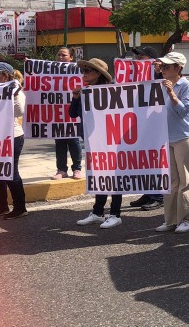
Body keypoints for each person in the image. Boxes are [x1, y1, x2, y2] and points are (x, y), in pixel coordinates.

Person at [72, 59, 122, 229]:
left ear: (98, 73)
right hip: (93, 140)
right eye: (84, 70)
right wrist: (76, 97)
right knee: (100, 175)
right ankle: (98, 212)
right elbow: (73, 114)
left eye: (88, 70)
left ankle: (115, 214)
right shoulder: (85, 92)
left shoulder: (111, 91)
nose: (84, 73)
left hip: (111, 139)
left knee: (114, 176)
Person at [153, 52, 189, 234]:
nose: (163, 69)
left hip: (184, 137)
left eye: (167, 67)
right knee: (172, 181)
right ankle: (171, 220)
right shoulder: (161, 84)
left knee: (186, 180)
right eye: (162, 66)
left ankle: (187, 219)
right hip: (167, 138)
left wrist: (172, 94)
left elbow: (185, 112)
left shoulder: (186, 86)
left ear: (178, 68)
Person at [0, 62, 28, 220]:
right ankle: (1, 206)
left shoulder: (16, 91)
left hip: (12, 136)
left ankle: (20, 207)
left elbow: (19, 111)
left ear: (5, 76)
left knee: (10, 173)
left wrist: (13, 94)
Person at [128, 46, 165, 211]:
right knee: (146, 160)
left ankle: (159, 196)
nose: (137, 60)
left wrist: (157, 72)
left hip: (156, 123)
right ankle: (149, 193)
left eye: (141, 57)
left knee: (156, 159)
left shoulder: (161, 74)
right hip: (140, 121)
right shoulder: (134, 75)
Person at [52, 47, 83, 180]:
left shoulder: (79, 71)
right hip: (57, 112)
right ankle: (61, 170)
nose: (60, 57)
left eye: (64, 55)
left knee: (73, 141)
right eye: (58, 54)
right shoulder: (50, 71)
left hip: (73, 111)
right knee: (59, 142)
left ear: (71, 57)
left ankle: (77, 169)